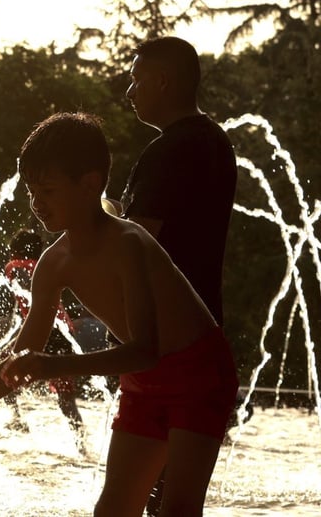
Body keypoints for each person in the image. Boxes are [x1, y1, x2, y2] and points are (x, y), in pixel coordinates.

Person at [0, 113, 238, 517]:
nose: (36, 203)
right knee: (112, 510)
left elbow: (144, 350)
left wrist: (53, 365)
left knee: (178, 509)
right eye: (31, 191)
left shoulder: (130, 243)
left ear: (90, 184)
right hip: (142, 386)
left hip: (199, 375)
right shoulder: (54, 263)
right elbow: (21, 359)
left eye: (47, 190)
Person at [123, 37, 238, 515]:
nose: (130, 91)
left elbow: (135, 244)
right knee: (177, 500)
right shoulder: (216, 142)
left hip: (164, 342)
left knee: (153, 498)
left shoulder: (169, 150)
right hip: (205, 328)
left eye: (136, 78)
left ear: (163, 80)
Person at [0, 229, 85, 446]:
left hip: (48, 330)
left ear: (15, 251)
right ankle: (82, 445)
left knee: (4, 366)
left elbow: (31, 310)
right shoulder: (44, 266)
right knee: (66, 398)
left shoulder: (15, 267)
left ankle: (16, 417)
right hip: (64, 331)